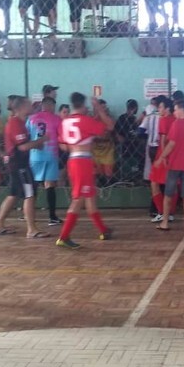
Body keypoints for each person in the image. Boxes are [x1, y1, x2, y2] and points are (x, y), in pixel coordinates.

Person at [55, 92, 115, 249]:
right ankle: (64, 236)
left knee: (89, 196)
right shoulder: (85, 120)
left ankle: (103, 230)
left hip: (73, 160)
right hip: (83, 162)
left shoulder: (65, 122)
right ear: (83, 104)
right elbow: (110, 126)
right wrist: (99, 109)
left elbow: (63, 145)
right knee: (79, 199)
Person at [0, 96, 49, 238]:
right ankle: (31, 229)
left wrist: (36, 143)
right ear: (21, 107)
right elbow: (22, 147)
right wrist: (41, 140)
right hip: (19, 165)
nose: (31, 106)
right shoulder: (15, 123)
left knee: (14, 194)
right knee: (29, 194)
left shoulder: (20, 122)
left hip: (16, 164)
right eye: (28, 104)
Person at [153, 100, 184, 232]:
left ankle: (165, 222)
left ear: (181, 110)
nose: (174, 112)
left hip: (174, 164)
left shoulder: (176, 124)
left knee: (168, 194)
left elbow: (171, 144)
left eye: (175, 109)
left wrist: (161, 158)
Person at [27, 96, 63, 226]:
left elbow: (26, 135)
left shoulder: (31, 118)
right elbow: (61, 135)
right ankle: (52, 217)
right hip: (51, 155)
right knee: (50, 185)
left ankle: (28, 215)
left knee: (33, 185)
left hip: (34, 155)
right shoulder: (56, 119)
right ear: (51, 106)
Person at [148, 97, 175, 222]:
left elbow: (163, 139)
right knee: (173, 185)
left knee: (154, 182)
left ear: (167, 109)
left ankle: (161, 212)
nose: (159, 109)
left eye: (160, 107)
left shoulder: (163, 120)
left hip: (162, 154)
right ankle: (169, 213)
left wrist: (163, 157)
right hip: (174, 154)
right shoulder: (176, 119)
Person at [115, 99, 142, 182]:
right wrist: (120, 138)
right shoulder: (122, 118)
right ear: (135, 108)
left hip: (134, 147)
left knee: (134, 166)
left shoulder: (135, 119)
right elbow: (116, 131)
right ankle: (126, 180)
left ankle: (133, 179)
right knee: (126, 166)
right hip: (125, 147)